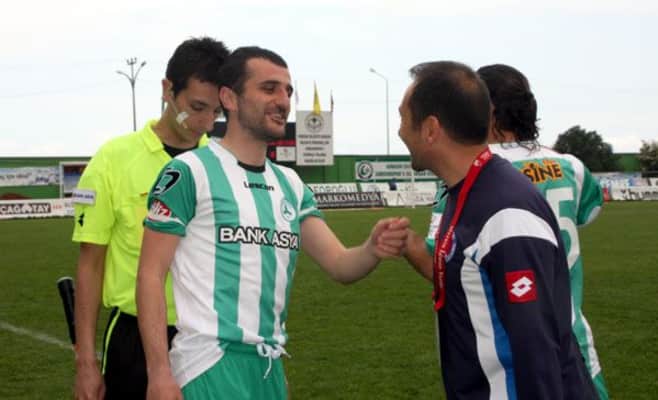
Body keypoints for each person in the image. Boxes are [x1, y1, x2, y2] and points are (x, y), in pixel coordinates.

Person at [136, 46, 409, 400]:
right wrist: (159, 372)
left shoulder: (291, 185)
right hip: (208, 365)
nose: (283, 101)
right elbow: (150, 274)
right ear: (229, 98)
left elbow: (340, 264)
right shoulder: (188, 172)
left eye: (288, 91)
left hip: (269, 368)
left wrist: (371, 249)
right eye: (269, 89)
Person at [399, 61, 597, 399]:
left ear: (430, 129)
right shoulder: (467, 191)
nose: (400, 132)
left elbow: (536, 351)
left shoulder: (505, 212)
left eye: (403, 118)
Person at [71, 37, 230, 399]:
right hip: (133, 342)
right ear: (167, 90)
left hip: (208, 339)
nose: (206, 122)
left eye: (217, 112)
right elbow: (90, 265)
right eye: (197, 107)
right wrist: (85, 363)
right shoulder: (112, 160)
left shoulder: (221, 165)